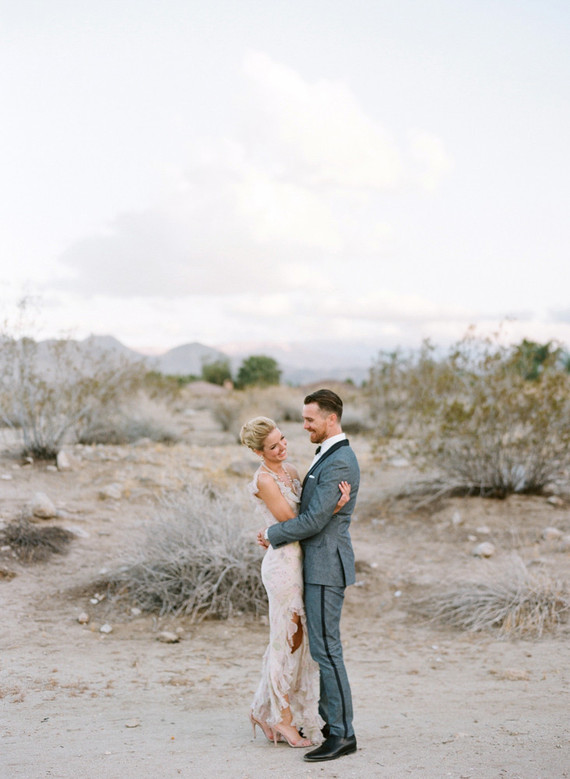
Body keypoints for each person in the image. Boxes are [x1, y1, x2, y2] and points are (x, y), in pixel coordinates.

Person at [257, 389, 360, 763]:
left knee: (327, 650)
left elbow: (314, 519)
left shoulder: (340, 461)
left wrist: (272, 535)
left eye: (309, 420)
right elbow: (316, 510)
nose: (304, 427)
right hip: (315, 563)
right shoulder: (328, 455)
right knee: (322, 649)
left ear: (331, 419)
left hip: (325, 564)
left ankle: (342, 733)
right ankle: (332, 725)